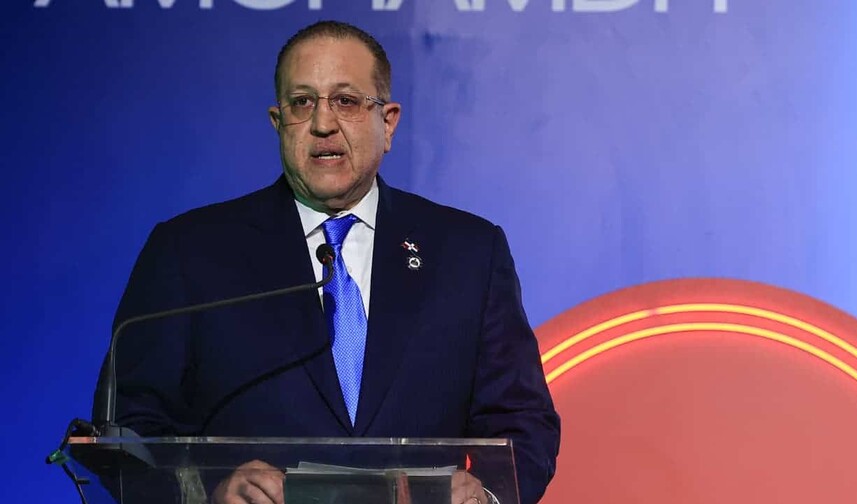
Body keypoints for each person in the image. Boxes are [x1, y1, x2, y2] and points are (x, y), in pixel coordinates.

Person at [100, 20, 559, 504]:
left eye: (346, 100)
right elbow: (131, 429)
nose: (322, 123)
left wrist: (485, 495)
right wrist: (208, 494)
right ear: (278, 123)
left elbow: (523, 421)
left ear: (388, 122)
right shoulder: (189, 251)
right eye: (302, 102)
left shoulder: (468, 252)